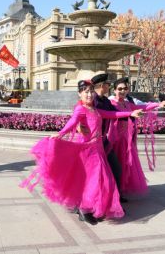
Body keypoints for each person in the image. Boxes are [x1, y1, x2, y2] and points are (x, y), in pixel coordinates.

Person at [21, 79, 143, 225]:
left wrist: (130, 113)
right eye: (86, 92)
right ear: (80, 94)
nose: (89, 95)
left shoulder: (96, 110)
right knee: (92, 181)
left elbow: (112, 115)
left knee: (100, 181)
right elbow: (72, 121)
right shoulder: (81, 109)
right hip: (87, 150)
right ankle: (83, 211)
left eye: (91, 91)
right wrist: (60, 134)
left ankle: (89, 208)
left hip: (98, 150)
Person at [108, 77, 165, 196]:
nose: (123, 91)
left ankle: (120, 192)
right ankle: (113, 193)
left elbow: (144, 107)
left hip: (126, 140)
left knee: (125, 166)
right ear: (114, 90)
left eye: (125, 88)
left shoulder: (127, 103)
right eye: (120, 89)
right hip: (114, 140)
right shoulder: (111, 103)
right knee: (114, 168)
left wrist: (159, 104)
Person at [91, 73, 125, 202]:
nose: (109, 86)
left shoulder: (105, 100)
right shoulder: (93, 100)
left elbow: (115, 113)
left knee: (116, 169)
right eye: (108, 84)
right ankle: (90, 202)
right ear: (101, 85)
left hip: (104, 140)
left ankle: (115, 197)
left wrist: (130, 114)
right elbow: (109, 114)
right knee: (95, 174)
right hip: (93, 142)